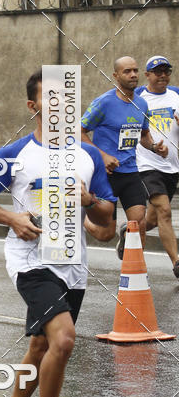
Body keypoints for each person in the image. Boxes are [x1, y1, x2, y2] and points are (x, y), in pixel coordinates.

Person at [0, 69, 115, 397]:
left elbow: (107, 227)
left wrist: (91, 203)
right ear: (33, 106)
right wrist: (13, 219)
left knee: (41, 346)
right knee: (64, 340)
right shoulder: (12, 155)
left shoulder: (89, 157)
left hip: (72, 263)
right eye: (51, 100)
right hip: (30, 262)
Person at [81, 56, 167, 258]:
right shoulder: (104, 103)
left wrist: (154, 147)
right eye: (127, 71)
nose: (133, 75)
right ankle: (84, 215)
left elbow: (143, 134)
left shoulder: (142, 104)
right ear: (116, 75)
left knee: (139, 224)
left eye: (135, 70)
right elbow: (79, 131)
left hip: (130, 172)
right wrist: (101, 156)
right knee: (105, 234)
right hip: (105, 174)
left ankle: (134, 275)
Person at [136, 55, 179, 278]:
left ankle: (130, 232)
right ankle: (177, 263)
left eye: (166, 71)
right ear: (148, 75)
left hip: (172, 167)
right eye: (158, 72)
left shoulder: (177, 95)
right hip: (147, 164)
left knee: (152, 221)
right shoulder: (138, 98)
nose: (163, 76)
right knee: (164, 210)